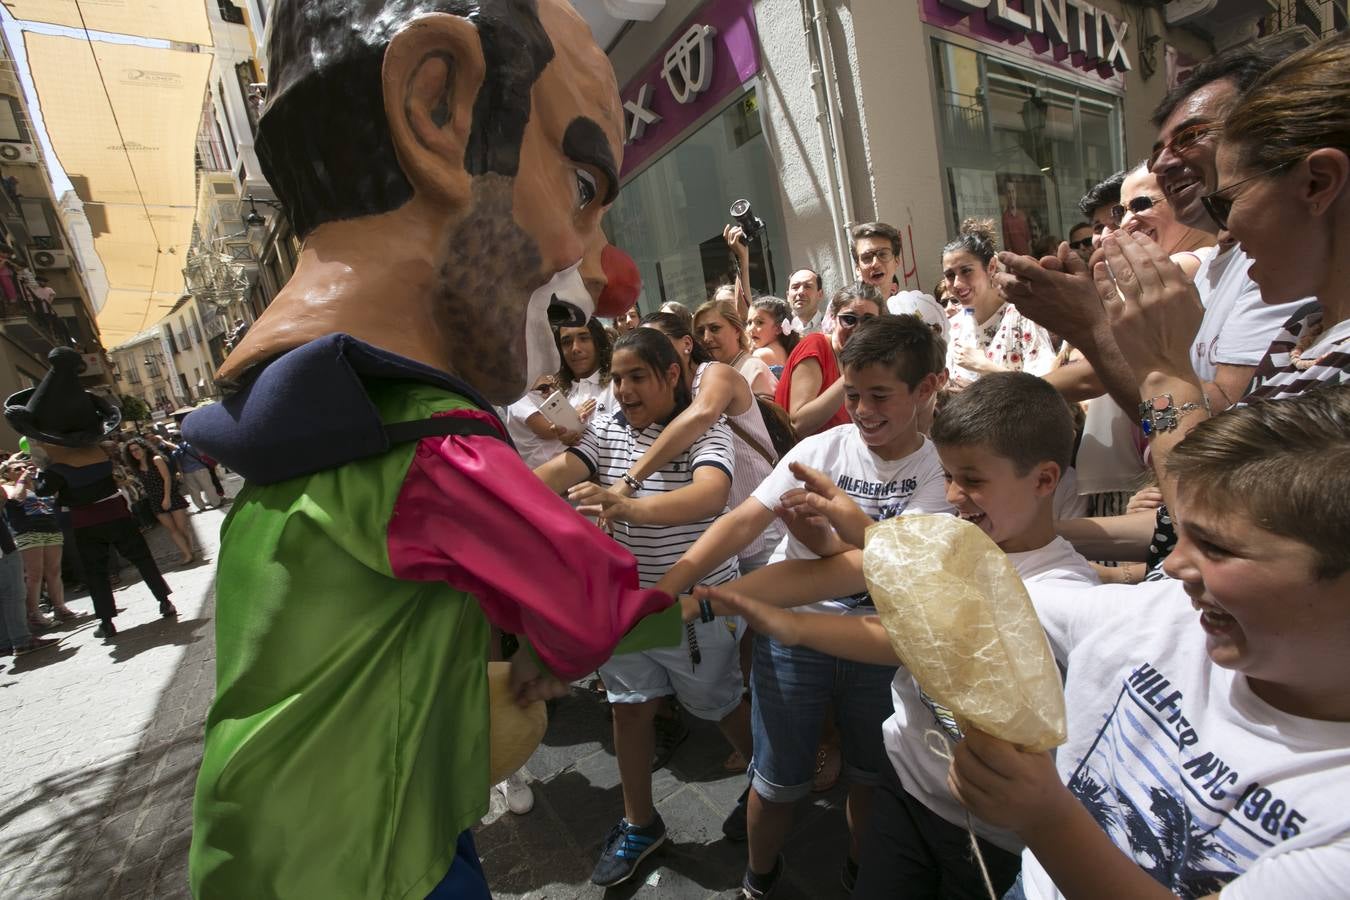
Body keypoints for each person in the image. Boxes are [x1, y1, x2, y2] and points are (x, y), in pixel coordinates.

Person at [181, 2, 686, 896]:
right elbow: (589, 595)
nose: (609, 283)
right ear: (437, 107)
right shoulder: (418, 441)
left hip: (273, 844)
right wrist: (670, 612)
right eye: (579, 186)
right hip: (370, 864)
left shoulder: (304, 423)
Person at [693, 371, 1098, 899]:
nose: (954, 496)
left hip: (990, 834)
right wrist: (733, 605)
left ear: (1045, 480)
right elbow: (857, 585)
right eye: (948, 476)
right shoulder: (949, 538)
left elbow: (929, 632)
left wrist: (803, 609)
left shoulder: (1065, 598)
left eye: (972, 480)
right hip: (907, 786)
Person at [950, 386, 1350, 899]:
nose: (1175, 566)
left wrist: (1045, 817)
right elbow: (985, 603)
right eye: (1182, 536)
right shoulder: (1166, 616)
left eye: (1217, 548)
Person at [654, 315, 951, 899]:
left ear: (927, 389)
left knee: (871, 776)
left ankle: (859, 872)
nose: (863, 411)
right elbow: (743, 520)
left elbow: (879, 564)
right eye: (855, 394)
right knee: (775, 778)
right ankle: (758, 877)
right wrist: (675, 581)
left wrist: (823, 538)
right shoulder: (823, 448)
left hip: (879, 647)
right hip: (793, 645)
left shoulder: (939, 472)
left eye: (880, 396)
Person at [533, 328, 750, 888]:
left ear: (672, 375)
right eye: (618, 378)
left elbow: (710, 496)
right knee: (628, 709)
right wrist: (507, 494)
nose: (623, 389)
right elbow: (566, 468)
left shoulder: (710, 433)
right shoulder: (606, 426)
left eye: (637, 377)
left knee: (719, 704)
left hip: (697, 606)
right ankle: (639, 822)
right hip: (626, 609)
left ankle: (767, 780)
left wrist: (626, 508)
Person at [6, 348, 176, 641]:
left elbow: (46, 490)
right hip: (118, 514)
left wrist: (36, 471)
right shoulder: (98, 454)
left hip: (86, 523)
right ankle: (164, 601)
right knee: (143, 559)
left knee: (95, 572)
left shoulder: (58, 466)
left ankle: (107, 622)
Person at [944, 218, 1056, 388]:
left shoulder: (1023, 317)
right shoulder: (951, 328)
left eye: (966, 271)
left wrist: (985, 367)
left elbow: (1046, 389)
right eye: (950, 275)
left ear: (991, 267)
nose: (957, 283)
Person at [774, 282, 883, 436]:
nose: (858, 328)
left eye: (869, 321)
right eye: (849, 319)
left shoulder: (866, 362)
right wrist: (851, 374)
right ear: (833, 317)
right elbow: (798, 424)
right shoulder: (816, 346)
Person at [1, 455, 78, 628]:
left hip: (50, 529)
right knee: (35, 574)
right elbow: (17, 499)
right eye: (17, 469)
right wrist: (22, 480)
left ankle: (60, 607)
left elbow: (55, 497)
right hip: (27, 532)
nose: (23, 470)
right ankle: (34, 613)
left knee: (54, 570)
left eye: (24, 467)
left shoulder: (37, 485)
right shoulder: (8, 487)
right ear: (8, 474)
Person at [123, 438, 196, 565]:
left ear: (144, 448)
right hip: (155, 500)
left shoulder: (156, 460)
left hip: (171, 496)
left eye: (136, 449)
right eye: (131, 451)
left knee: (182, 527)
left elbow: (167, 478)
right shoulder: (136, 468)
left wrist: (166, 498)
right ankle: (187, 554)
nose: (134, 453)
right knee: (173, 530)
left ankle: (191, 549)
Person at [694, 298, 776, 395]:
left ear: (736, 331)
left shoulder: (754, 369)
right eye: (700, 332)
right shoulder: (702, 376)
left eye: (715, 328)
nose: (706, 338)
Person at [555, 317, 615, 425]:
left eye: (584, 338)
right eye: (567, 342)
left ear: (598, 342)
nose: (575, 348)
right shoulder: (560, 397)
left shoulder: (617, 385)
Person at [165, 434, 223, 510]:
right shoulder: (191, 445)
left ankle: (200, 506)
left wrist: (180, 472)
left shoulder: (175, 450)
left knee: (193, 490)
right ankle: (216, 503)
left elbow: (177, 462)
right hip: (200, 468)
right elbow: (201, 455)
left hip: (187, 472)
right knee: (208, 486)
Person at [747, 296, 799, 375]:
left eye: (760, 322)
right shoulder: (787, 352)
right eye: (749, 323)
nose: (751, 329)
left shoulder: (761, 354)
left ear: (778, 328)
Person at [787, 268, 826, 335]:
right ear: (787, 295)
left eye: (807, 286)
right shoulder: (777, 331)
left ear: (820, 294)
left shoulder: (832, 328)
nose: (801, 292)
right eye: (795, 287)